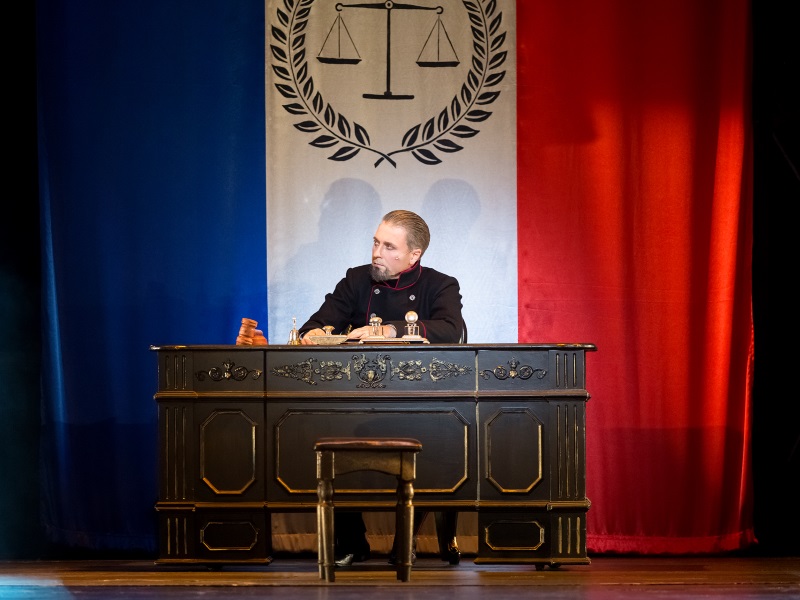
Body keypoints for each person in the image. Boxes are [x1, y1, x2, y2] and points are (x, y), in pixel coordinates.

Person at [299, 209, 464, 567]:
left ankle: (407, 539)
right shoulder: (356, 280)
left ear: (414, 255)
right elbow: (317, 324)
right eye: (375, 242)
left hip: (416, 397)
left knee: (433, 434)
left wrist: (389, 330)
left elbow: (452, 330)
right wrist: (314, 334)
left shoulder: (440, 285)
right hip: (357, 394)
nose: (376, 253)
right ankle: (351, 541)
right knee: (327, 427)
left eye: (389, 246)